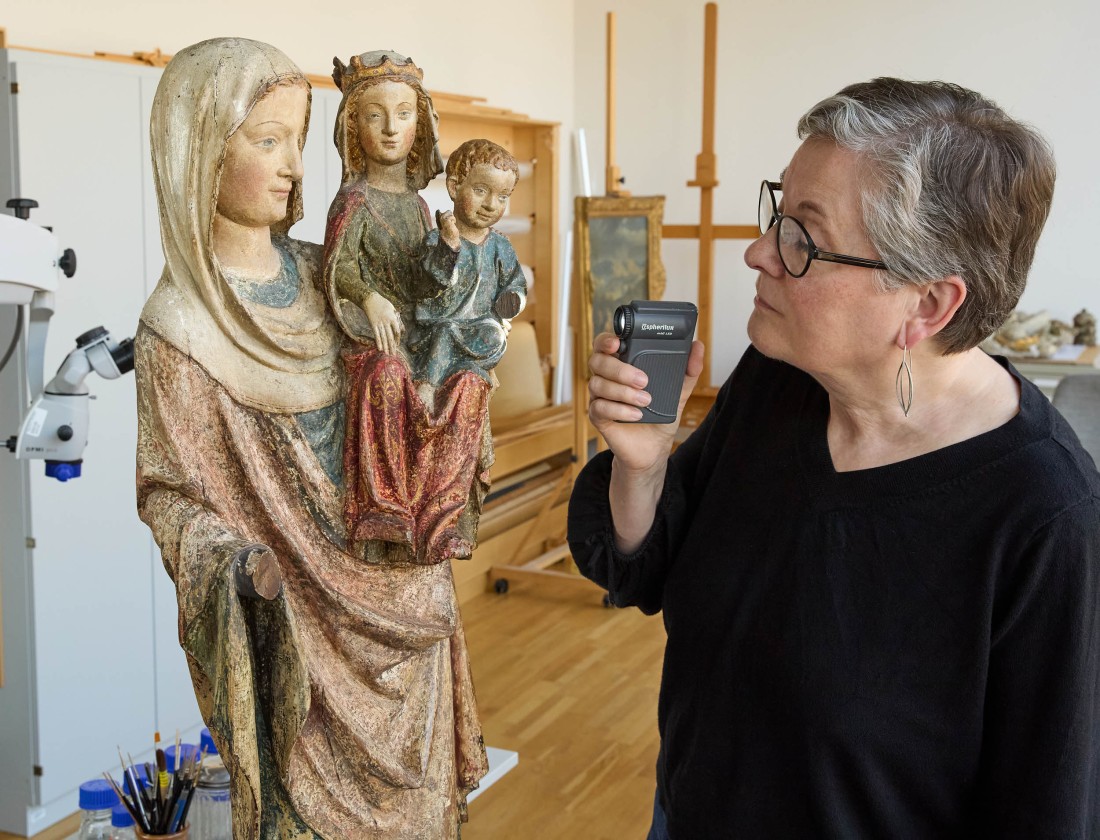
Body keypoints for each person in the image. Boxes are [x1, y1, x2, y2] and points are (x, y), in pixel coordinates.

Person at [568, 77, 1100, 838]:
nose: (759, 252)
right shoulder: (778, 378)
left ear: (927, 305)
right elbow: (644, 569)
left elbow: (1046, 810)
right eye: (778, 213)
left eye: (803, 239)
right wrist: (643, 464)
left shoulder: (1046, 520)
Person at [136, 38, 486, 840]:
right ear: (200, 152)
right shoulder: (180, 329)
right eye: (268, 140)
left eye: (298, 139)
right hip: (297, 623)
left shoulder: (330, 274)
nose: (295, 166)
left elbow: (411, 375)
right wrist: (234, 563)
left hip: (402, 588)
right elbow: (169, 494)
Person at [324, 52, 496, 565]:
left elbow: (425, 284)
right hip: (374, 339)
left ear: (419, 125)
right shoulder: (354, 201)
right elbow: (338, 267)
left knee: (469, 385)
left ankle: (441, 516)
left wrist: (446, 250)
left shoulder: (421, 207)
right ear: (354, 126)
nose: (390, 128)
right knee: (388, 373)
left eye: (402, 114)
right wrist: (370, 297)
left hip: (423, 335)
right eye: (375, 115)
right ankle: (386, 511)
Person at [411, 138, 527, 388]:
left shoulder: (501, 246)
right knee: (444, 333)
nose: (491, 205)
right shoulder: (436, 239)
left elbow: (515, 283)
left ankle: (474, 369)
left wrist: (511, 300)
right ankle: (428, 386)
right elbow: (428, 284)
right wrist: (450, 246)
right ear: (454, 187)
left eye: (502, 196)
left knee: (494, 336)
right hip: (438, 326)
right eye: (481, 191)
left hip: (480, 327)